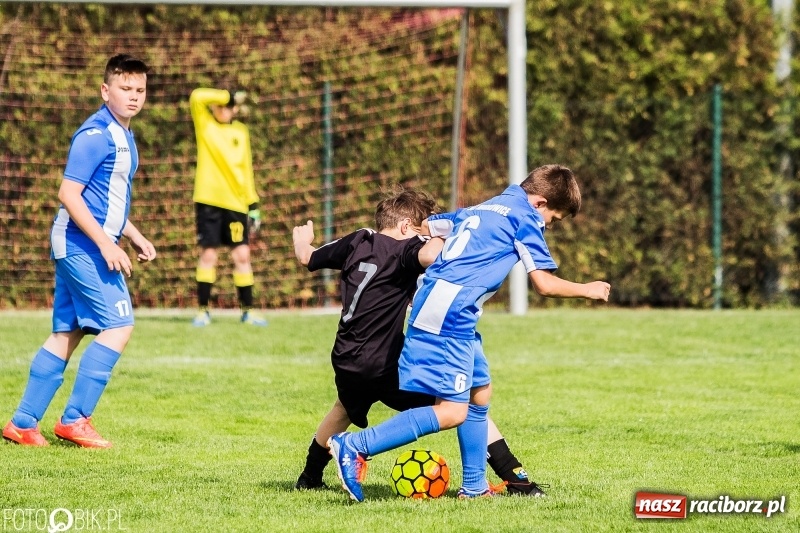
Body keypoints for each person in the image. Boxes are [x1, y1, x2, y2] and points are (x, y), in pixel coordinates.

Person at [328, 165, 612, 501]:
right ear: (539, 203)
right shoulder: (526, 219)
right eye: (554, 218)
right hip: (450, 315)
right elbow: (544, 284)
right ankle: (355, 445)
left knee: (480, 392)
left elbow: (429, 225)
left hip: (449, 309)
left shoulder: (486, 207)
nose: (550, 226)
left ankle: (475, 487)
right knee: (452, 411)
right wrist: (589, 289)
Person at [292, 189, 547, 497]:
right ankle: (514, 479)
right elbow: (430, 255)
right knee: (459, 402)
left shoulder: (357, 239)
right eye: (419, 229)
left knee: (342, 409)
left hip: (346, 355)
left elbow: (307, 257)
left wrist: (302, 240)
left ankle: (309, 477)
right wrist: (443, 231)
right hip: (384, 361)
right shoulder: (406, 250)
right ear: (405, 226)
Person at [2, 54, 155, 448]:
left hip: (80, 241)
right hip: (80, 245)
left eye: (139, 90)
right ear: (106, 91)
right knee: (119, 327)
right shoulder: (96, 134)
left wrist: (132, 234)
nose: (133, 96)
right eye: (125, 88)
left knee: (65, 333)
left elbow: (105, 199)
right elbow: (68, 194)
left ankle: (22, 423)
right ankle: (75, 419)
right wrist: (107, 244)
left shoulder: (124, 133)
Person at [189, 86, 267, 327]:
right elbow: (197, 96)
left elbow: (246, 169)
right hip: (208, 201)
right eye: (220, 105)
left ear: (235, 110)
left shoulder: (241, 132)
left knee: (242, 255)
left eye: (229, 106)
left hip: (236, 204)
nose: (223, 110)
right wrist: (228, 96)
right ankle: (203, 311)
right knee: (209, 255)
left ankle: (248, 311)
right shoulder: (205, 124)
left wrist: (253, 204)